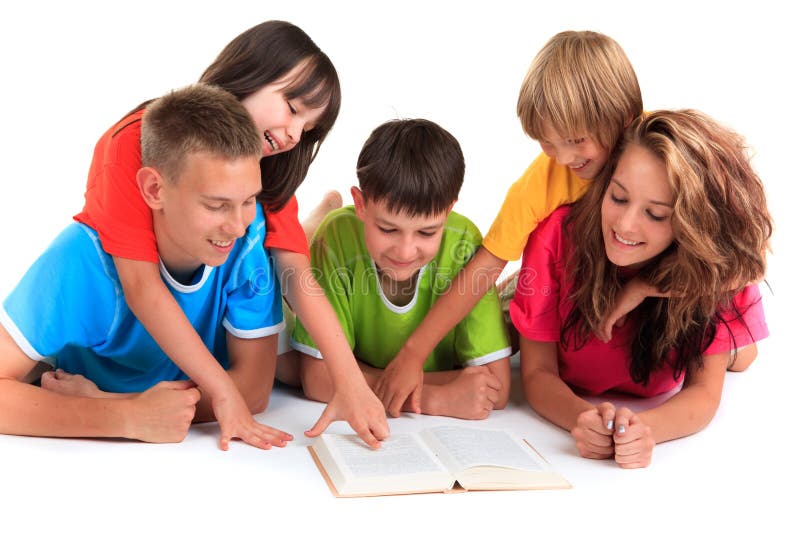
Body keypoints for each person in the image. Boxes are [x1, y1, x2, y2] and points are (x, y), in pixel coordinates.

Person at [73, 20, 388, 449]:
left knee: (283, 265)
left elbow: (297, 275)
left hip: (224, 271)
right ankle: (311, 224)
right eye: (293, 109)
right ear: (249, 73)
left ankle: (308, 227)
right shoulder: (134, 146)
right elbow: (141, 286)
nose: (295, 135)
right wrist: (120, 406)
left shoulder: (267, 169)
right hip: (166, 277)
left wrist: (350, 380)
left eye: (308, 130)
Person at [0, 84, 293, 446]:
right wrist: (126, 418)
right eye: (216, 206)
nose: (236, 226)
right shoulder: (82, 258)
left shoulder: (248, 242)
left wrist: (113, 403)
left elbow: (252, 391)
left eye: (248, 200)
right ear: (154, 190)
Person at [373, 30, 644, 416]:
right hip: (570, 282)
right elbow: (486, 263)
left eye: (577, 140)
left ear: (624, 117)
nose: (564, 158)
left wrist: (642, 289)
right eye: (547, 143)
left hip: (650, 283)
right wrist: (413, 353)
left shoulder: (661, 153)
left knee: (741, 355)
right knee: (504, 318)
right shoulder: (546, 176)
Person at [512, 110, 771, 468]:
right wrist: (583, 421)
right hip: (531, 300)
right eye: (618, 198)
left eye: (656, 215)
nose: (626, 225)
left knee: (741, 358)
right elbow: (538, 374)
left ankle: (736, 347)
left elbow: (703, 393)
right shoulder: (554, 239)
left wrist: (645, 428)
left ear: (690, 226)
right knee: (504, 316)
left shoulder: (711, 271)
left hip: (700, 287)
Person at [279, 119, 513, 420]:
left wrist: (363, 378)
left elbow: (496, 387)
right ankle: (320, 215)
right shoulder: (336, 237)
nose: (405, 251)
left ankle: (324, 214)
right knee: (286, 270)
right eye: (388, 229)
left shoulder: (464, 244)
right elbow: (314, 378)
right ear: (361, 204)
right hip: (321, 249)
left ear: (449, 210)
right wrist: (433, 396)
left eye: (427, 233)